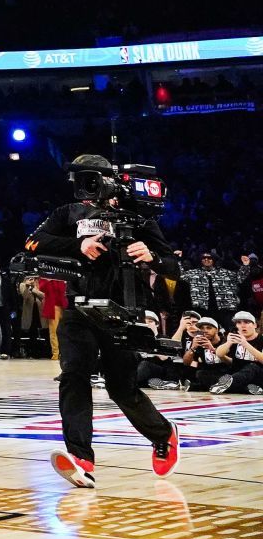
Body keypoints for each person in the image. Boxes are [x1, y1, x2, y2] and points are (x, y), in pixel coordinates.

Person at [26, 155, 181, 489]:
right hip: (78, 308)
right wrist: (77, 244)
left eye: (88, 179)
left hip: (124, 310)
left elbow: (172, 267)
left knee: (121, 387)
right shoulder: (67, 213)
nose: (83, 186)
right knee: (73, 375)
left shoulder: (139, 216)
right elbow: (32, 243)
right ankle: (81, 457)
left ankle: (163, 433)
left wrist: (152, 256)